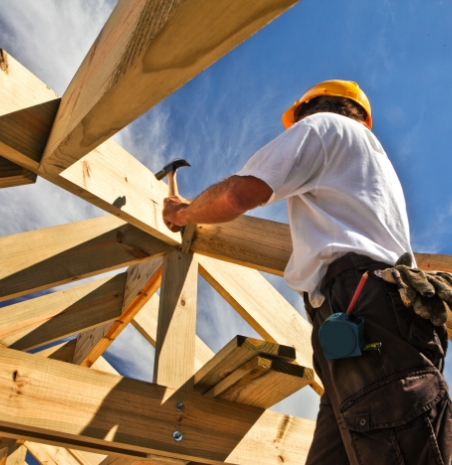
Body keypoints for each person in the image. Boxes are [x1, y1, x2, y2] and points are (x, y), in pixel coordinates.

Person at [162, 80, 451, 464]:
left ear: (307, 111)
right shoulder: (368, 165)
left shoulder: (323, 127)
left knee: (393, 433)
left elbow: (237, 195)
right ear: (363, 117)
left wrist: (183, 213)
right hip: (358, 320)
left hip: (363, 309)